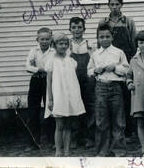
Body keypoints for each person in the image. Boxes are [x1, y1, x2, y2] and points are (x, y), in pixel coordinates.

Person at [98, 0, 137, 137]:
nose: (114, 7)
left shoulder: (128, 21)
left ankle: (127, 130)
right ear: (108, 5)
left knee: (125, 96)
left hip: (123, 61)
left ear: (121, 5)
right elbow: (99, 44)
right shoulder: (103, 22)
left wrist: (131, 60)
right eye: (111, 4)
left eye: (117, 4)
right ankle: (109, 132)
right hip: (107, 64)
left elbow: (133, 42)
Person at [87, 24, 129, 156]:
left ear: (112, 37)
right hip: (101, 88)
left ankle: (118, 150)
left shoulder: (118, 52)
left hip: (116, 87)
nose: (104, 39)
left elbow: (127, 70)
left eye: (107, 36)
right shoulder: (95, 54)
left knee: (118, 120)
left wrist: (115, 68)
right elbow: (89, 71)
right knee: (101, 120)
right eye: (101, 37)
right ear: (98, 38)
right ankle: (102, 150)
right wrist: (95, 70)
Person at [45, 32, 86, 157]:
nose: (63, 46)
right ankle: (58, 150)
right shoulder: (51, 61)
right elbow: (49, 81)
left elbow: (72, 81)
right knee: (60, 125)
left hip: (70, 96)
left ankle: (67, 151)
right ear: (54, 45)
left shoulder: (71, 61)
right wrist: (50, 99)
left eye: (65, 44)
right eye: (60, 44)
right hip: (58, 96)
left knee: (68, 125)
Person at [25, 27, 55, 150]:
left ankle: (52, 141)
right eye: (42, 39)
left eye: (47, 39)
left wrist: (46, 70)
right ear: (37, 39)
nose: (44, 41)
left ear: (51, 39)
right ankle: (33, 142)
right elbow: (27, 66)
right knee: (33, 111)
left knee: (50, 110)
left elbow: (54, 66)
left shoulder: (53, 52)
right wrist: (38, 69)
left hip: (48, 81)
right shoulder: (34, 51)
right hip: (36, 81)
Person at [68, 17, 96, 149]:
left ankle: (90, 137)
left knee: (89, 106)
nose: (77, 30)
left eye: (79, 27)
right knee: (74, 106)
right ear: (70, 29)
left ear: (84, 29)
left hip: (87, 79)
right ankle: (74, 137)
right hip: (72, 79)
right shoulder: (67, 45)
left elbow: (95, 61)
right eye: (74, 27)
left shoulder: (89, 44)